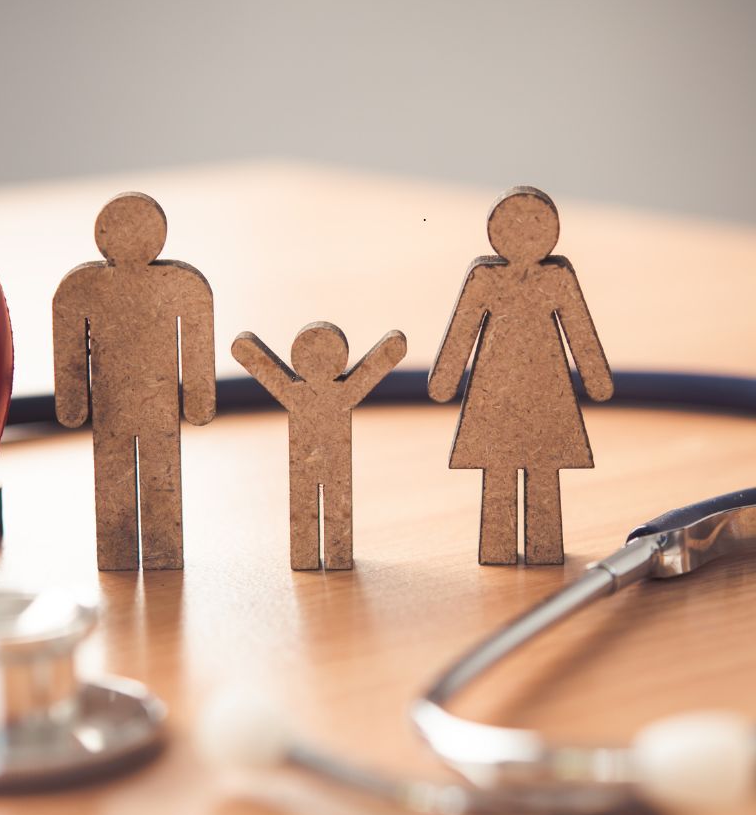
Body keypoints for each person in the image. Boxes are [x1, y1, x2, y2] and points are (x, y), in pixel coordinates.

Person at [428, 186, 613, 565]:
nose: (525, 235)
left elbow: (579, 330)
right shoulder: (484, 278)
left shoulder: (557, 278)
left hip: (545, 390)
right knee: (498, 467)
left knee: (543, 467)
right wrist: (445, 380)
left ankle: (543, 548)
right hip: (495, 391)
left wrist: (597, 380)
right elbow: (462, 329)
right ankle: (498, 548)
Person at [53, 193, 216, 570]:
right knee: (116, 478)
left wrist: (198, 399)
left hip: (156, 406)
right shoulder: (82, 286)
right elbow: (69, 344)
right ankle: (123, 550)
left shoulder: (179, 283)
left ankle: (158, 550)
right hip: (113, 406)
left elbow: (196, 337)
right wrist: (72, 402)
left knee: (158, 473)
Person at [233, 322, 406, 569]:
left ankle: (323, 556)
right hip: (314, 464)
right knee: (315, 507)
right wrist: (394, 346)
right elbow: (378, 364)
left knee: (329, 507)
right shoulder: (328, 392)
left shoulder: (308, 392)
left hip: (327, 465)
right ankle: (319, 556)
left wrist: (244, 349)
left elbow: (259, 363)